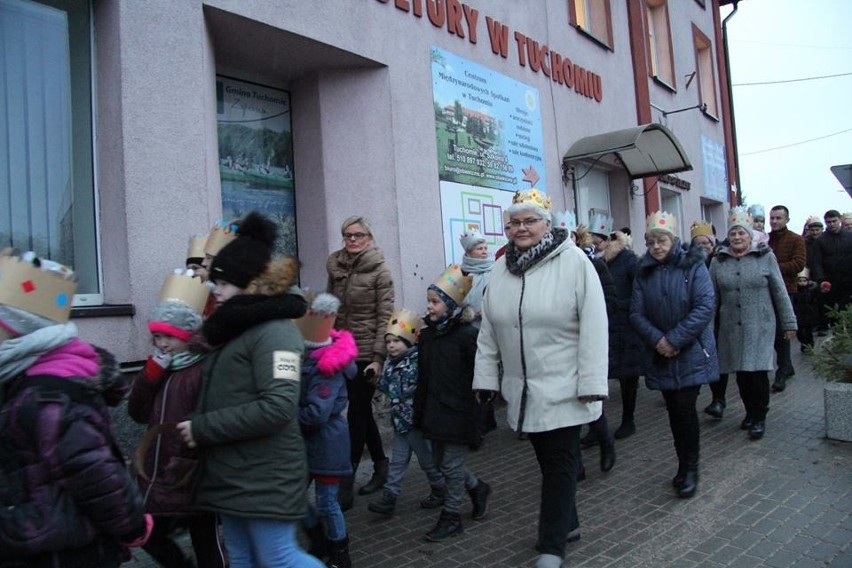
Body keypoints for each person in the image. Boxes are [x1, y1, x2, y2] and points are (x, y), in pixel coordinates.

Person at [175, 211, 322, 568]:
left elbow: (278, 407)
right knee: (241, 558)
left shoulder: (277, 333)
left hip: (265, 477)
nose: (216, 291)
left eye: (223, 284)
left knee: (279, 559)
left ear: (247, 283)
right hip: (233, 474)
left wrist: (202, 428)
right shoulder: (232, 330)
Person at [473, 189, 608, 568]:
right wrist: (486, 378)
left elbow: (595, 325)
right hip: (523, 388)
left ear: (547, 224)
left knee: (560, 464)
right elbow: (489, 331)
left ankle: (552, 545)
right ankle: (569, 523)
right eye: (514, 222)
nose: (521, 228)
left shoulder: (575, 262)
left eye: (529, 221)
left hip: (565, 383)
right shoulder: (501, 268)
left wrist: (593, 382)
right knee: (550, 462)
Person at [0, 251, 152, 566]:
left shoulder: (46, 397)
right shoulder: (20, 377)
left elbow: (96, 473)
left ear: (18, 330)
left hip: (64, 553)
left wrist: (132, 527)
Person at [127, 271, 227, 568]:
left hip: (193, 475)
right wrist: (149, 377)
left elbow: (211, 420)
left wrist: (190, 459)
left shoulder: (204, 368)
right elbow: (137, 413)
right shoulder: (163, 367)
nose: (162, 344)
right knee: (149, 535)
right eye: (157, 336)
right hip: (161, 474)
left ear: (187, 335)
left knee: (206, 542)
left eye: (168, 336)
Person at [630, 211, 718, 499]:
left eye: (662, 240)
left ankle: (691, 467)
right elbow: (636, 312)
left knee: (685, 410)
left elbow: (704, 306)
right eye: (652, 241)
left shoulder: (693, 266)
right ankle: (682, 465)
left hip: (689, 350)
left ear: (674, 240)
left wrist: (676, 339)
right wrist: (659, 341)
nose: (656, 246)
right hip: (661, 354)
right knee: (674, 411)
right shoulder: (644, 272)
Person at [415, 264, 491, 543]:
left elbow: (481, 376)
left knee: (450, 464)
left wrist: (479, 414)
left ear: (450, 305)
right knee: (441, 463)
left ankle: (451, 516)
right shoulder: (427, 336)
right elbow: (423, 376)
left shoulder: (467, 336)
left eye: (435, 302)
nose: (430, 307)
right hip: (435, 410)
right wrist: (418, 410)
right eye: (429, 301)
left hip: (459, 411)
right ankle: (478, 487)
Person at [709, 207, 797, 441]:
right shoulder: (719, 261)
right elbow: (711, 299)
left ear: (750, 236)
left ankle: (759, 416)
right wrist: (707, 329)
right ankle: (750, 411)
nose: (737, 237)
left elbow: (780, 292)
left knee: (757, 373)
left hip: (760, 325)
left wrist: (789, 323)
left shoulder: (765, 257)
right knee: (741, 374)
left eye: (742, 233)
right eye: (734, 233)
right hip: (731, 327)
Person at [326, 215, 394, 508]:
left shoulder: (381, 271)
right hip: (341, 348)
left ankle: (346, 479)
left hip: (366, 352)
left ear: (369, 237)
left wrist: (379, 358)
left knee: (355, 413)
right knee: (361, 411)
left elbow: (384, 317)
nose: (352, 240)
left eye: (358, 235)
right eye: (348, 235)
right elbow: (330, 306)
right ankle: (381, 466)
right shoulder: (336, 265)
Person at [296, 293, 357, 568]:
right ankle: (318, 539)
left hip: (327, 445)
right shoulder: (308, 358)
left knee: (327, 503)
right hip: (311, 445)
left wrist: (287, 419)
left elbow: (317, 413)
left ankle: (340, 553)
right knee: (295, 496)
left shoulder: (326, 367)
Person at [368, 308, 446, 516]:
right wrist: (376, 379)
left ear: (409, 342)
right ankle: (389, 498)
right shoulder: (391, 365)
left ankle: (440, 489)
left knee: (427, 461)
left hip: (416, 423)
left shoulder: (416, 362)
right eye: (388, 342)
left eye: (397, 341)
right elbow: (388, 387)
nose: (391, 345)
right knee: (397, 462)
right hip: (400, 424)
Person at [571, 223, 616, 473]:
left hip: (587, 343)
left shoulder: (594, 264)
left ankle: (606, 441)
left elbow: (609, 301)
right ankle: (575, 464)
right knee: (566, 407)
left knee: (588, 402)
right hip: (561, 347)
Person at [598, 229, 643, 441]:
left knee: (627, 375)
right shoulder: (598, 261)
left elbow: (639, 291)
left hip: (626, 326)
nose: (596, 245)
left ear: (610, 240)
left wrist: (620, 306)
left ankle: (629, 420)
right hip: (603, 326)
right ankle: (597, 427)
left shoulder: (629, 260)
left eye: (600, 241)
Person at [459, 230, 498, 448]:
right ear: (469, 251)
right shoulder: (461, 273)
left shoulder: (495, 271)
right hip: (468, 332)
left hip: (490, 331)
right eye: (479, 249)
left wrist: (488, 310)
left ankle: (481, 426)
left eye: (485, 248)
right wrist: (465, 310)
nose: (484, 252)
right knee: (477, 376)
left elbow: (501, 297)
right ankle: (486, 420)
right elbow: (454, 298)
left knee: (485, 374)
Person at [689, 221, 729, 420]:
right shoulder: (689, 262)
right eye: (698, 243)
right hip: (696, 319)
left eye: (706, 242)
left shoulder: (722, 260)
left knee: (716, 360)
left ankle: (718, 399)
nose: (702, 246)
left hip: (719, 318)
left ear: (713, 243)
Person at [767, 205, 806, 392]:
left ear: (787, 220)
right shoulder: (764, 239)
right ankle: (787, 365)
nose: (774, 221)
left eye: (778, 218)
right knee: (772, 332)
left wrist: (772, 269)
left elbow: (798, 264)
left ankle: (782, 370)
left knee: (783, 332)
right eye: (772, 218)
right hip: (766, 292)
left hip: (786, 290)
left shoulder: (796, 239)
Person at [811, 209, 852, 322]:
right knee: (834, 313)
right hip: (830, 282)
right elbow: (816, 262)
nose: (832, 224)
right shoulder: (820, 241)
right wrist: (821, 280)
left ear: (840, 220)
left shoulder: (850, 237)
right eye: (829, 222)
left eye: (834, 221)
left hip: (849, 280)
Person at [803, 215, 827, 334]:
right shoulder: (806, 243)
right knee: (810, 301)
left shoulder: (826, 241)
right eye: (812, 230)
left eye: (817, 229)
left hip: (824, 275)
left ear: (822, 229)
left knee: (823, 301)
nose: (815, 232)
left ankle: (824, 325)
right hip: (810, 275)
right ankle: (814, 324)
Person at [792, 268, 819, 352]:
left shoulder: (811, 291)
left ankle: (809, 345)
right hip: (799, 314)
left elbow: (815, 302)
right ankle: (804, 344)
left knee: (808, 332)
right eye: (800, 281)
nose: (802, 283)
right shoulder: (795, 292)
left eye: (804, 281)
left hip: (809, 315)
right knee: (799, 332)